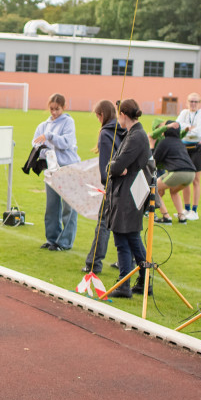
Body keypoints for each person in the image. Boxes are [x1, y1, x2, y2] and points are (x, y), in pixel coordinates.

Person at [106, 99, 153, 297]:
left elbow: (116, 166)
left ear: (123, 114)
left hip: (129, 194)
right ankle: (140, 281)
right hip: (128, 192)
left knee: (126, 238)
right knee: (128, 238)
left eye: (119, 115)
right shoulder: (135, 134)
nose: (118, 119)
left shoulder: (136, 136)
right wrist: (116, 166)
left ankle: (128, 283)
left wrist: (112, 167)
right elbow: (118, 166)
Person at [32, 93, 79, 251]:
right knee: (51, 206)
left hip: (68, 168)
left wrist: (50, 137)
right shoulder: (43, 125)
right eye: (51, 109)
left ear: (64, 107)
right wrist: (43, 150)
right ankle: (52, 239)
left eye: (57, 109)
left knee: (69, 207)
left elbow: (67, 143)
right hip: (51, 170)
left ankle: (65, 242)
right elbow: (36, 144)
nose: (54, 112)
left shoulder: (68, 122)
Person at [83, 100, 125, 274]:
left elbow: (107, 164)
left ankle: (93, 263)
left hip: (114, 184)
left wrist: (106, 186)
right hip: (128, 183)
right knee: (125, 225)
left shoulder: (106, 133)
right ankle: (127, 262)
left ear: (101, 115)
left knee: (103, 223)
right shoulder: (126, 129)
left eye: (97, 116)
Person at [152, 120, 197, 224]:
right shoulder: (180, 142)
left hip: (178, 172)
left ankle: (166, 217)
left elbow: (154, 161)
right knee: (174, 191)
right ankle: (182, 217)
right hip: (191, 174)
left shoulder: (164, 142)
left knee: (154, 188)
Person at [174, 93, 201, 220]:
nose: (193, 104)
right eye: (191, 101)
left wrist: (186, 129)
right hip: (184, 149)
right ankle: (186, 209)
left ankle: (194, 210)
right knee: (185, 180)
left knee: (195, 180)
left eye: (196, 101)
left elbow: (200, 132)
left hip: (196, 149)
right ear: (187, 102)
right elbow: (177, 126)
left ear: (199, 103)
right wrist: (189, 128)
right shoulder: (184, 113)